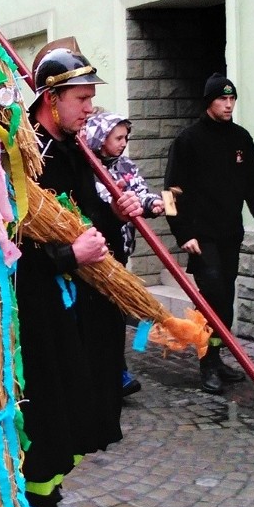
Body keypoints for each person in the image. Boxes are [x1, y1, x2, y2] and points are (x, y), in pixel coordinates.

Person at [16, 41, 144, 507]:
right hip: (47, 313)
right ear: (51, 98)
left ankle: (47, 504)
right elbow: (8, 242)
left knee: (84, 403)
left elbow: (91, 226)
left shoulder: (71, 150)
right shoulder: (23, 156)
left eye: (91, 98)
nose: (90, 108)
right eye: (82, 98)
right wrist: (67, 255)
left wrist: (116, 213)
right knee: (52, 412)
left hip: (86, 308)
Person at [165, 73, 254, 394]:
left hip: (230, 235)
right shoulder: (188, 141)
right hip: (201, 238)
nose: (228, 105)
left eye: (232, 99)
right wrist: (182, 232)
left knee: (224, 303)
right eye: (221, 99)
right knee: (212, 296)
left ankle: (215, 355)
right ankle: (207, 363)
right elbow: (169, 193)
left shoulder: (241, 138)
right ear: (209, 101)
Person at [82, 108, 165, 398]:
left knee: (116, 315)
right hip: (90, 255)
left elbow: (138, 192)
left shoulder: (124, 166)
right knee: (98, 318)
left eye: (125, 137)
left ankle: (118, 372)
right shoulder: (85, 167)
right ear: (100, 137)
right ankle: (105, 374)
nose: (122, 143)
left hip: (119, 253)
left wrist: (152, 203)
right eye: (117, 137)